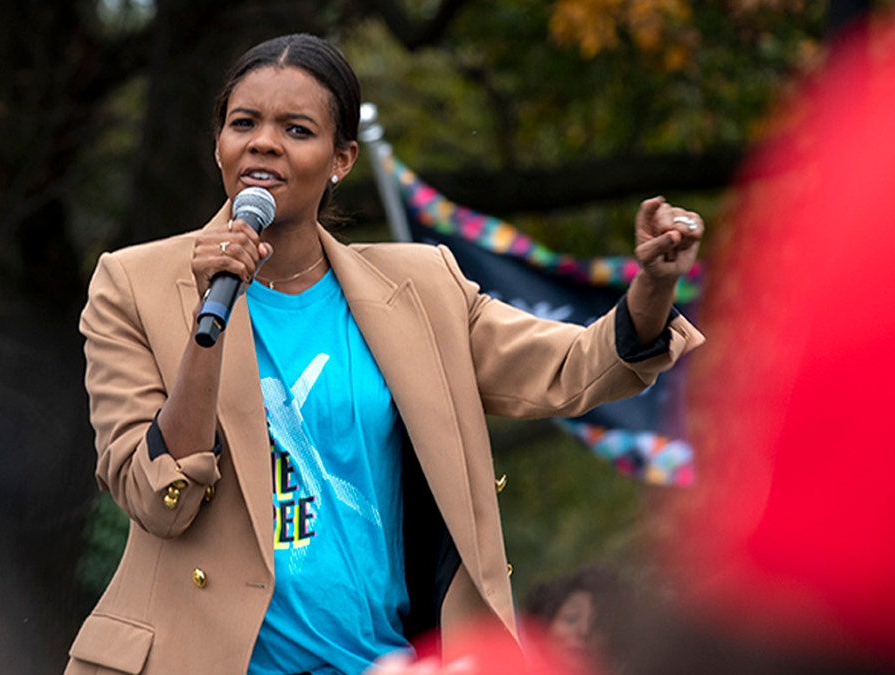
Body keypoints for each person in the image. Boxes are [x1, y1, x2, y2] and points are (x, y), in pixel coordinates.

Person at [64, 33, 704, 675]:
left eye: (296, 128)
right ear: (218, 144)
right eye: (244, 123)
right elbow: (155, 499)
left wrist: (651, 289)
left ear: (341, 158)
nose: (263, 142)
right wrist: (213, 318)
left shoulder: (421, 287)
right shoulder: (135, 284)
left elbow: (567, 367)